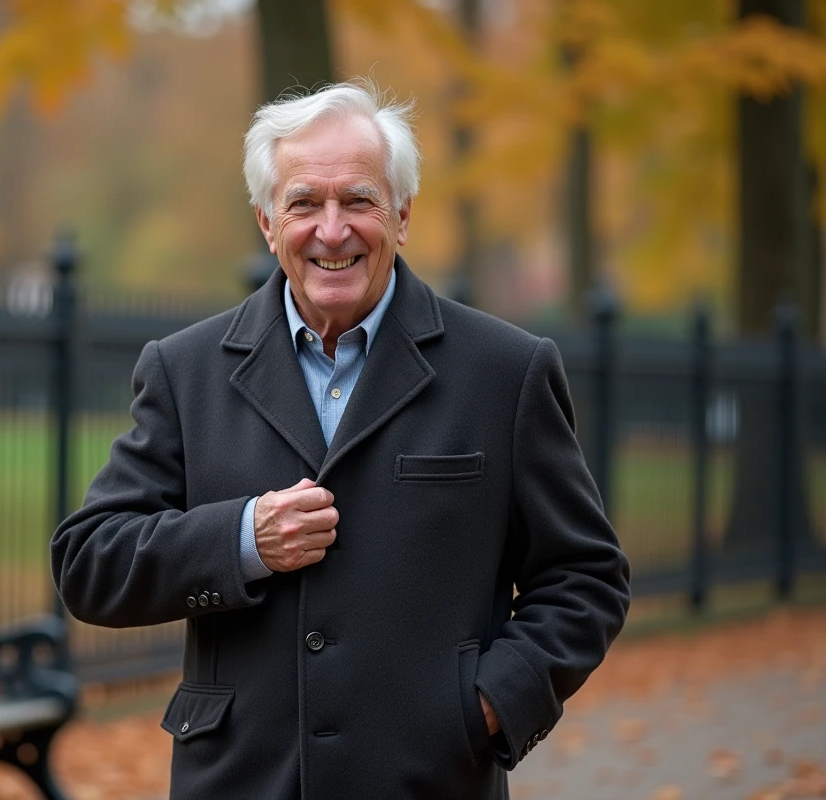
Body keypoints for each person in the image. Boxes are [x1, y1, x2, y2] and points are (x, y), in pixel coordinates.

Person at [51, 81, 630, 800]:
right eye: (304, 204)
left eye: (358, 200)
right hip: (239, 782)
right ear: (267, 222)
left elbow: (585, 579)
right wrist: (243, 539)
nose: (332, 230)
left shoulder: (504, 372)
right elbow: (89, 561)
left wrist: (485, 706)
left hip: (429, 781)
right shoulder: (183, 370)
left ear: (403, 214)